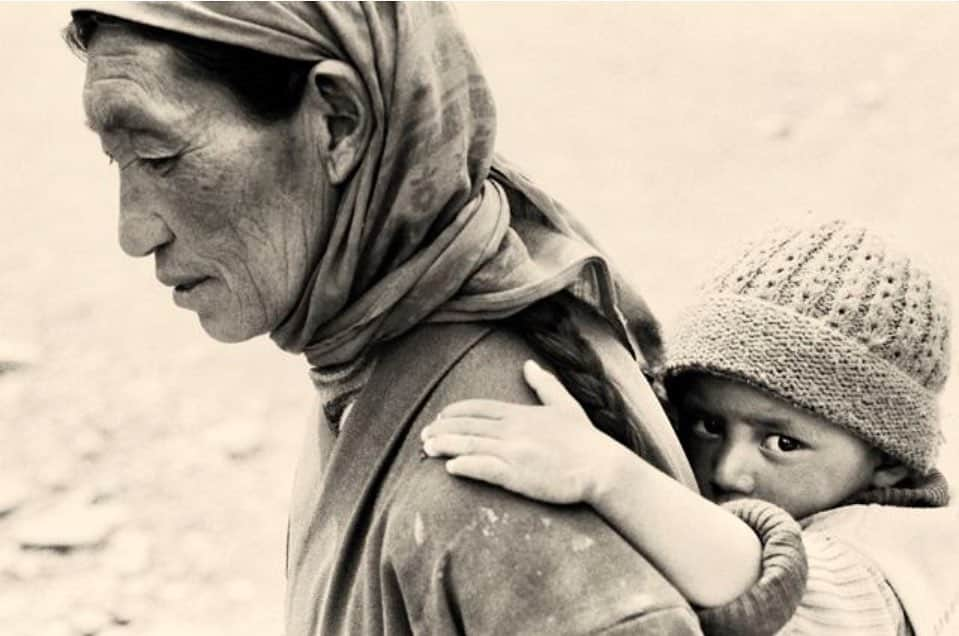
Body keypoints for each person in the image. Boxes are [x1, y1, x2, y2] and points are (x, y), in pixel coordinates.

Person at [66, 3, 806, 634]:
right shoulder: (374, 351)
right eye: (115, 161)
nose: (135, 232)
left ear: (338, 123)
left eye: (160, 156)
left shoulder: (485, 464)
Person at [424, 219, 959, 635]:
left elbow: (771, 585)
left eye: (783, 443)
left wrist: (607, 474)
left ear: (889, 461)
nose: (729, 470)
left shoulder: (895, 554)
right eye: (707, 425)